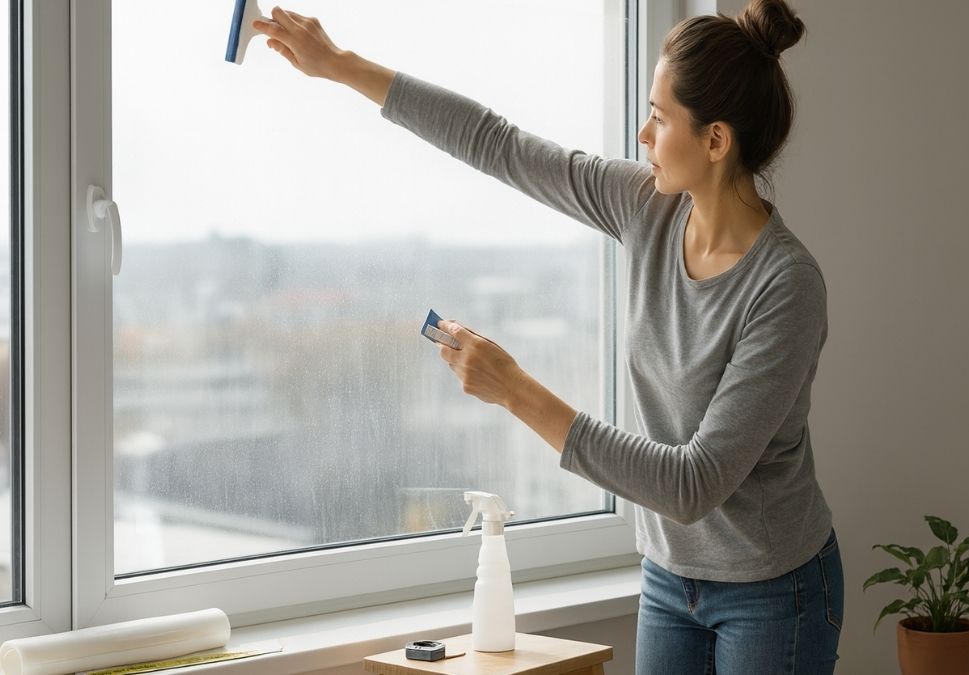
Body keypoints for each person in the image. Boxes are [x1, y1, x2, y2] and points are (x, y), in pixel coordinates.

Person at [254, 0, 842, 671]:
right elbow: (498, 144)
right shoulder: (646, 207)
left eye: (659, 117)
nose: (643, 134)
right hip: (668, 575)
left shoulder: (786, 286)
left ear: (715, 141)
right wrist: (340, 65)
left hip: (774, 589)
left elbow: (692, 483)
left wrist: (514, 389)